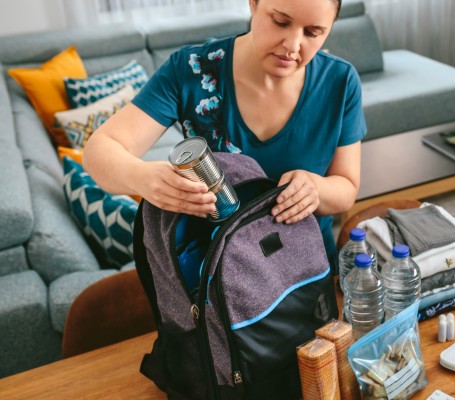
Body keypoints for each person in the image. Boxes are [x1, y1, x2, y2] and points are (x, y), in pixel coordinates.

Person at [84, 0, 365, 268]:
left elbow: (346, 188)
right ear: (253, 3)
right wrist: (143, 178)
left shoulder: (340, 82)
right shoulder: (190, 70)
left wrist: (316, 188)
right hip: (216, 285)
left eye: (313, 32)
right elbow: (99, 150)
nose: (292, 46)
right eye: (280, 22)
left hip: (307, 275)